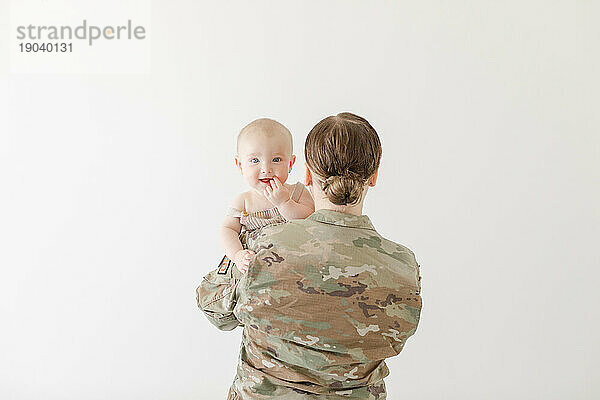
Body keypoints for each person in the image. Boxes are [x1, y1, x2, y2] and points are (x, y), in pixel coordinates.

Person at [197, 112, 422, 399]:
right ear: (374, 176)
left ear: (305, 173)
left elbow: (216, 312)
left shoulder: (262, 245)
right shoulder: (402, 266)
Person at [220, 118, 314, 274]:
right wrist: (237, 255)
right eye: (255, 160)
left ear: (290, 164)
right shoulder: (244, 202)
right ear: (240, 165)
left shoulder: (298, 193)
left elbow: (311, 222)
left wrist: (285, 203)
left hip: (296, 272)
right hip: (258, 274)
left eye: (276, 160)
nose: (266, 168)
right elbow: (227, 229)